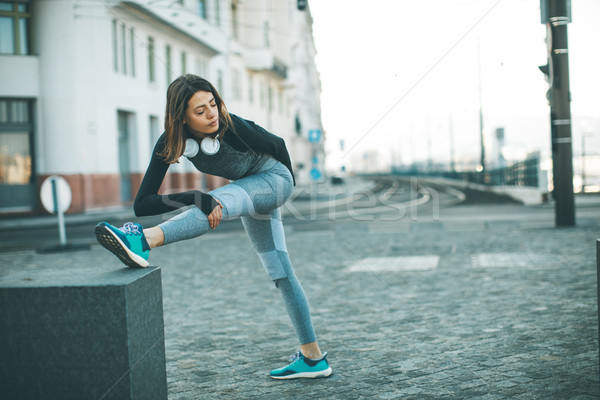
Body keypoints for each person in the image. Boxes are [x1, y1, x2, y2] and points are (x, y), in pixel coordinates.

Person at [95, 74, 332, 380]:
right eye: (200, 111)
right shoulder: (171, 140)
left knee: (215, 203)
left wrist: (285, 188)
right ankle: (313, 359)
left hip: (274, 180)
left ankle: (143, 241)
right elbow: (143, 204)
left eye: (213, 104)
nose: (212, 115)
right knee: (279, 271)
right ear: (181, 117)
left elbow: (278, 144)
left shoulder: (232, 127)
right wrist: (194, 197)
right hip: (248, 187)